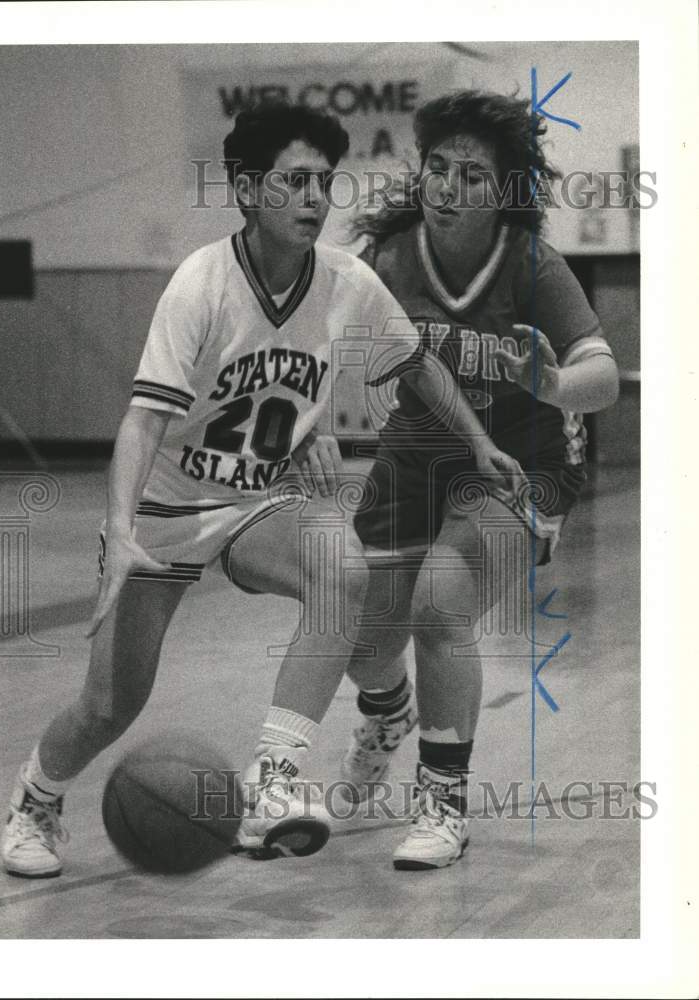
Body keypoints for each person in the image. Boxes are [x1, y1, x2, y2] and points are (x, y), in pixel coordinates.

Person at [0, 102, 511, 877]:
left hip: (252, 503)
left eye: (323, 183)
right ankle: (37, 794)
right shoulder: (200, 285)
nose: (313, 199)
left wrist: (478, 442)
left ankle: (272, 780)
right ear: (247, 190)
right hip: (164, 512)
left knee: (339, 569)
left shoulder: (346, 281)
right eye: (294, 182)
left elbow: (418, 365)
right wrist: (120, 530)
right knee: (110, 706)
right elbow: (143, 422)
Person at [340, 90, 620, 870]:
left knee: (442, 600)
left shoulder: (530, 263)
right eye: (437, 168)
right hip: (412, 462)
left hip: (522, 466)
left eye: (470, 174)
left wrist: (557, 385)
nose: (447, 187)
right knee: (360, 642)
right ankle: (387, 709)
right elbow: (321, 348)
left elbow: (600, 374)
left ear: (502, 190)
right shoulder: (388, 258)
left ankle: (442, 804)